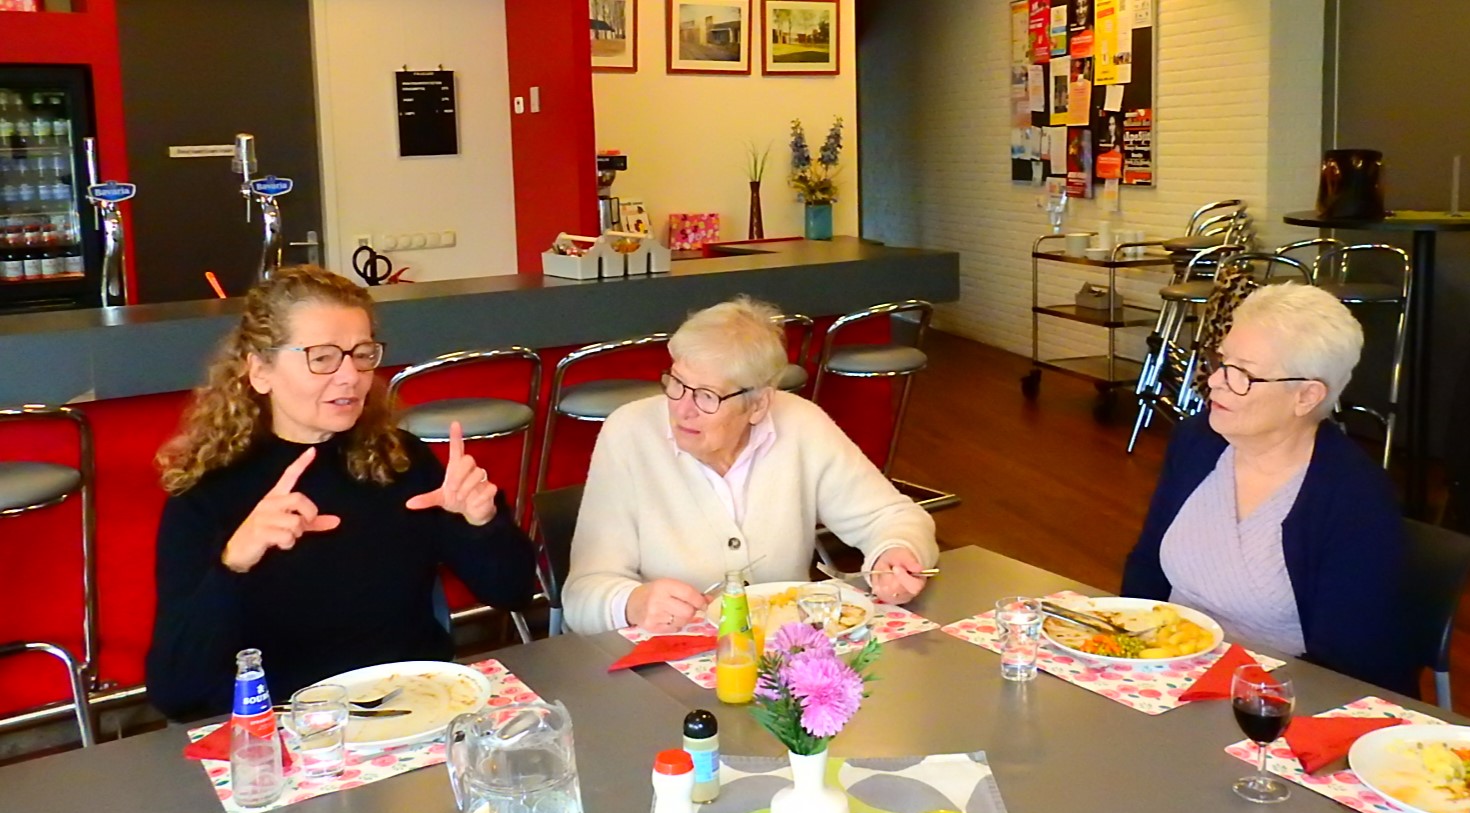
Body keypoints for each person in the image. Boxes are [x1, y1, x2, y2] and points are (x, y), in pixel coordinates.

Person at [147, 266, 535, 721]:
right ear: (261, 370)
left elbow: (513, 592)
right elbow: (176, 692)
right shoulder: (207, 495)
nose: (350, 376)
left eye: (362, 354)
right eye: (322, 357)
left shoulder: (398, 460)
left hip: (415, 710)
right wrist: (234, 562)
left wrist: (481, 523)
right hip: (290, 725)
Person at [562, 296, 939, 635]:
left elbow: (893, 517)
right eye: (676, 384)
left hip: (790, 659)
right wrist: (633, 603)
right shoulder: (629, 433)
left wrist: (896, 551)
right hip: (672, 665)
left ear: (758, 404)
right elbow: (581, 597)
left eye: (707, 396)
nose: (682, 409)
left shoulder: (800, 423)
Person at [1122, 283, 1418, 694]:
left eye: (1243, 373)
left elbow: (1349, 670)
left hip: (1277, 703)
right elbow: (1146, 571)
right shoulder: (1198, 442)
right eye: (1221, 361)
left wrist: (1235, 692)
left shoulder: (1355, 499)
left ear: (1306, 396)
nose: (1216, 382)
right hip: (1167, 678)